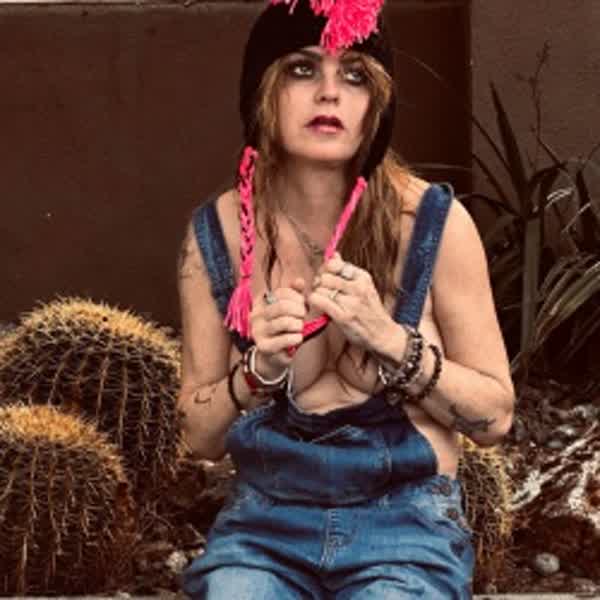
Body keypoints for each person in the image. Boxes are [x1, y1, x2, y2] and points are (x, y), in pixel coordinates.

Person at [177, 0, 515, 597]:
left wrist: (390, 342)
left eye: (355, 74)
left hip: (406, 525)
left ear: (376, 104)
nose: (329, 93)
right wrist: (257, 371)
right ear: (263, 91)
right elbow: (198, 437)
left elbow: (495, 418)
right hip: (265, 527)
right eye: (302, 69)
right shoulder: (219, 235)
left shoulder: (431, 224)